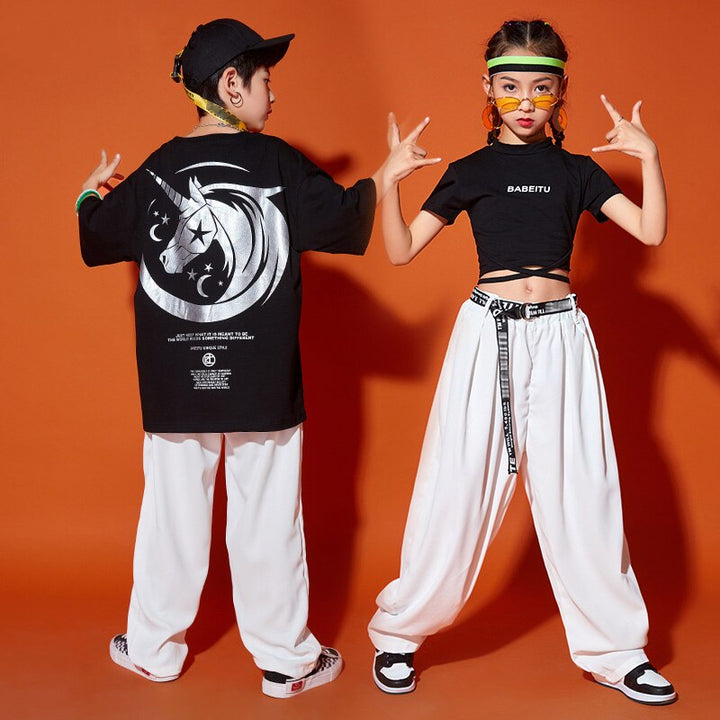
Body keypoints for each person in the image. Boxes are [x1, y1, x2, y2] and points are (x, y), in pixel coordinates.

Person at [77, 18, 406, 699]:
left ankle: (153, 651)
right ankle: (286, 661)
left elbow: (96, 234)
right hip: (260, 380)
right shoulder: (279, 162)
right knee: (269, 518)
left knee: (172, 515)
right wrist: (389, 171)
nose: (273, 96)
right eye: (265, 81)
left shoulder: (157, 167)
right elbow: (348, 216)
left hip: (175, 384)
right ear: (232, 84)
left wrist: (88, 192)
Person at [368, 19, 677, 706]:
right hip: (488, 334)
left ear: (560, 91)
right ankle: (398, 635)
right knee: (456, 484)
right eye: (510, 87)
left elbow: (651, 231)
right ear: (488, 89)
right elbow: (400, 250)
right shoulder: (469, 172)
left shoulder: (578, 172)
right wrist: (388, 182)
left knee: (585, 490)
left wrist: (650, 157)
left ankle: (618, 651)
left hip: (563, 336)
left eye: (540, 87)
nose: (526, 101)